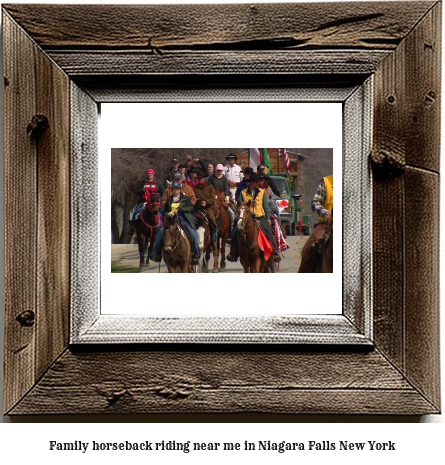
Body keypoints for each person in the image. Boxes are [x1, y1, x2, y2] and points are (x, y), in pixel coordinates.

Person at [227, 173, 281, 263]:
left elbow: (266, 206)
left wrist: (268, 218)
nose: (258, 184)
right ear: (251, 183)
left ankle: (275, 252)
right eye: (256, 182)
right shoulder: (243, 193)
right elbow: (239, 205)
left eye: (258, 182)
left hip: (259, 216)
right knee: (236, 230)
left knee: (268, 231)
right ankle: (232, 252)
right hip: (247, 218)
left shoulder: (262, 192)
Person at [151, 182, 200, 265]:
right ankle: (156, 252)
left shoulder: (185, 198)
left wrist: (181, 209)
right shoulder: (170, 199)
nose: (176, 191)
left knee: (193, 233)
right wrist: (168, 214)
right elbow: (165, 210)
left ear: (180, 190)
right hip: (171, 220)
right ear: (172, 190)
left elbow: (191, 207)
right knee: (160, 229)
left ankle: (196, 255)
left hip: (184, 219)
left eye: (177, 189)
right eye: (174, 189)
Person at [298, 175, 333, 273]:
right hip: (328, 224)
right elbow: (315, 202)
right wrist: (323, 212)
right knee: (308, 249)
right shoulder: (326, 182)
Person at [128, 169, 165, 236]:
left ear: (153, 174)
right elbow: (136, 191)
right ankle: (132, 227)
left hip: (155, 203)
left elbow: (163, 192)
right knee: (136, 212)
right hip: (144, 202)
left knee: (162, 214)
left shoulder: (158, 184)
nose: (149, 175)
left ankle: (163, 228)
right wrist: (142, 190)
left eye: (151, 173)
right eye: (148, 173)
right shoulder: (143, 183)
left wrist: (159, 199)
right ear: (146, 175)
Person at [193, 171, 218, 244]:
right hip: (198, 208)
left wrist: (206, 202)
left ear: (204, 178)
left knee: (213, 223)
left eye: (201, 178)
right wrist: (198, 201)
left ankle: (214, 241)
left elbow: (213, 199)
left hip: (208, 208)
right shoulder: (195, 188)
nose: (200, 180)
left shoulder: (210, 187)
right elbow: (194, 198)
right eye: (199, 179)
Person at [208, 164, 236, 229]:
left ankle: (232, 226)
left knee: (232, 211)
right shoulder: (211, 177)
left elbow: (226, 187)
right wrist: (211, 194)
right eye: (218, 170)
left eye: (220, 170)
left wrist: (227, 196)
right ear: (216, 170)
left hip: (222, 195)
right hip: (213, 195)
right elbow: (209, 187)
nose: (219, 171)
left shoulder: (224, 178)